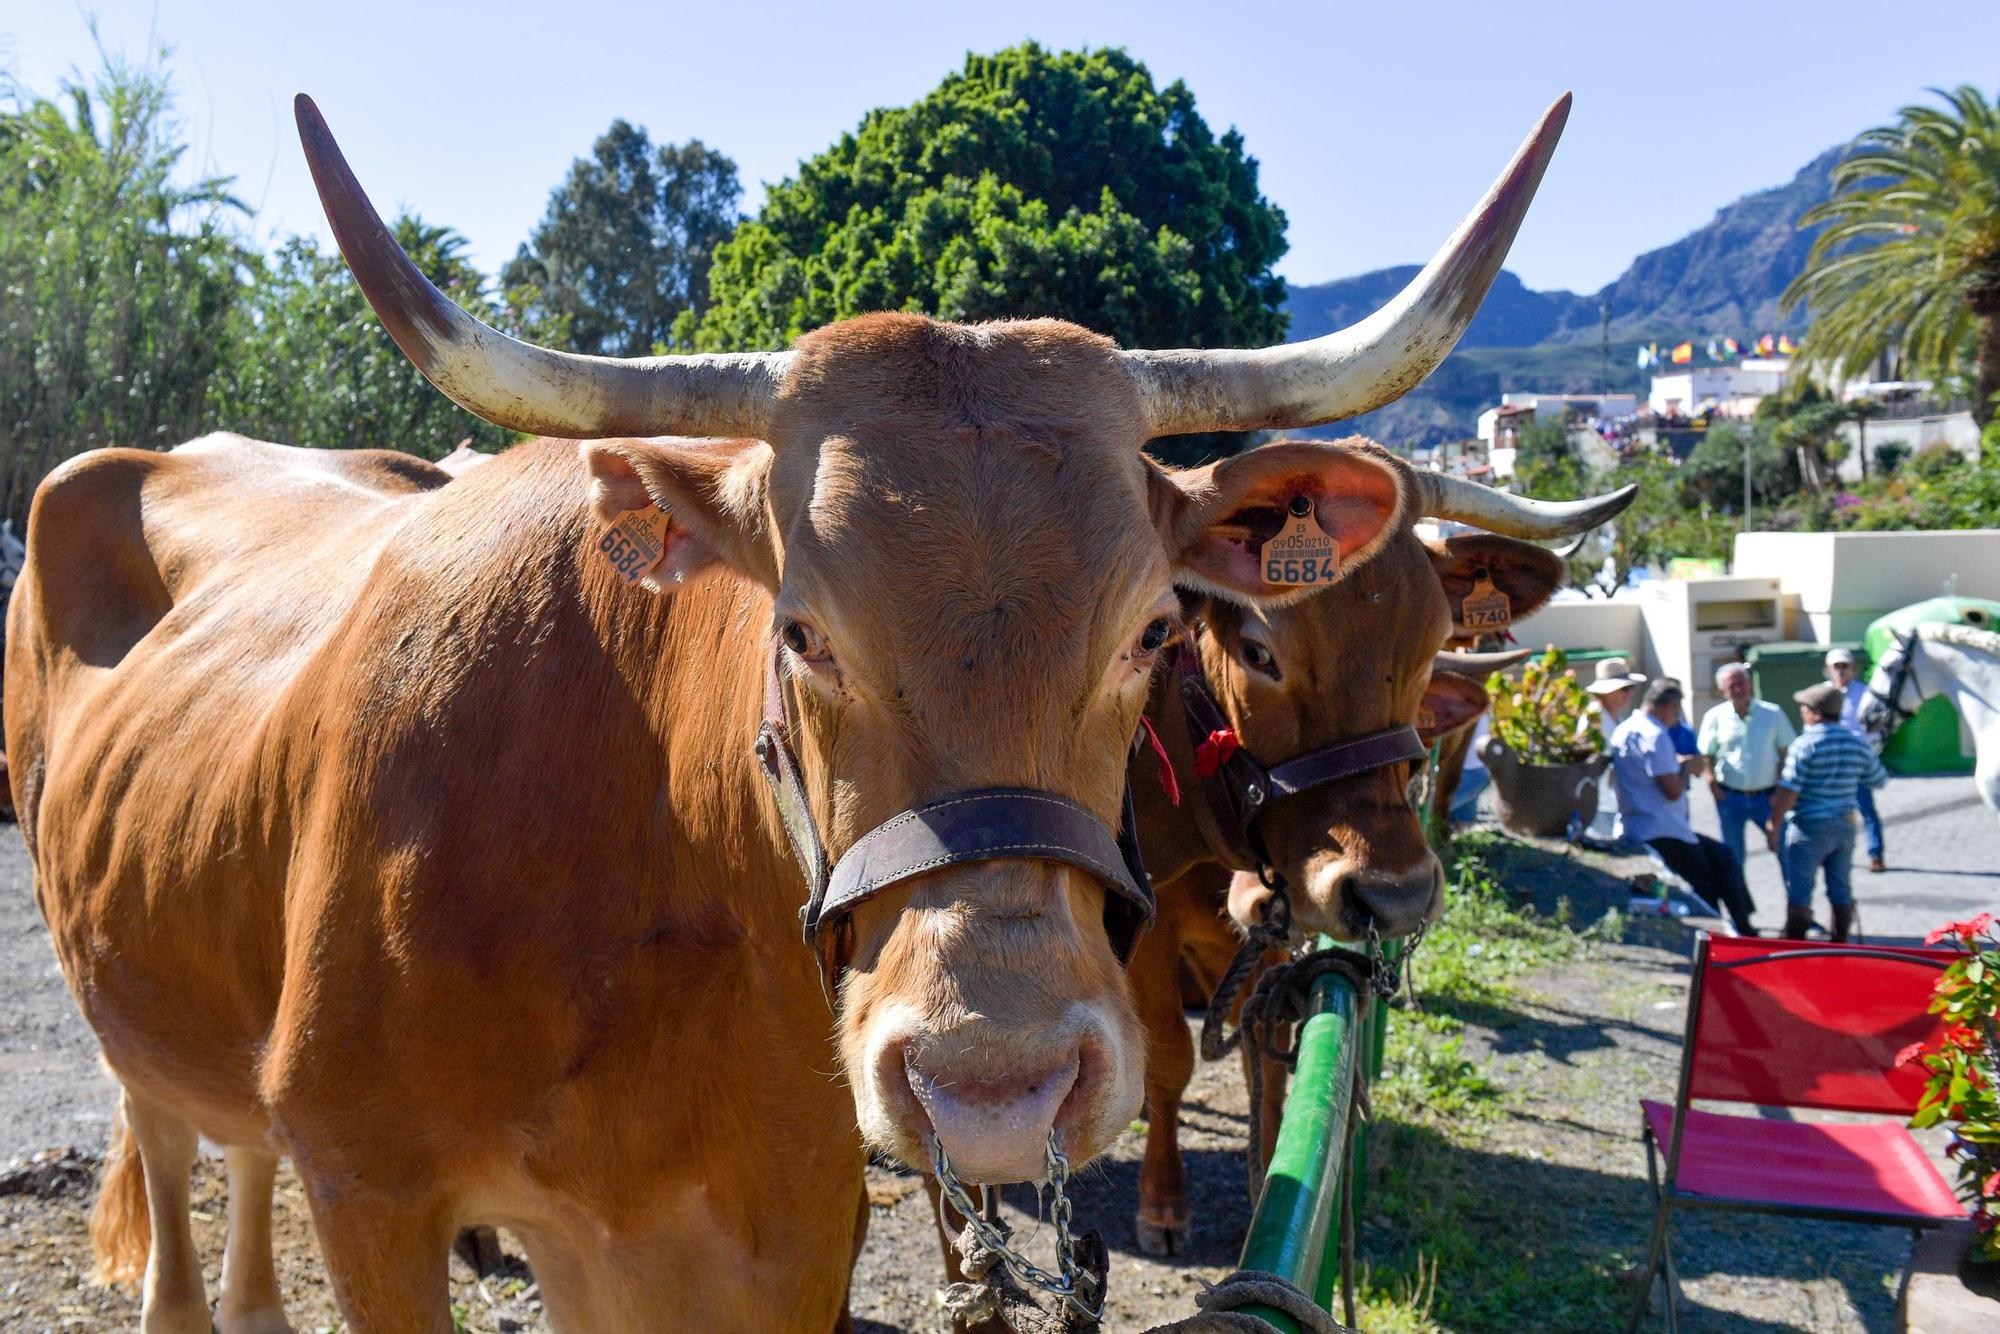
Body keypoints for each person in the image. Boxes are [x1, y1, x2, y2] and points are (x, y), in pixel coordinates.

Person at [1611, 679, 1756, 933]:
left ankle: (1743, 925)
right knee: (1704, 883)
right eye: (1676, 713)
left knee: (1722, 856)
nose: (1675, 720)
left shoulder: (1627, 729)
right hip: (1662, 829)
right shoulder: (1656, 735)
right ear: (1668, 706)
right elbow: (1672, 790)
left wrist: (1677, 761)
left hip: (1641, 823)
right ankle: (1723, 934)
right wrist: (1686, 767)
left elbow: (1650, 766)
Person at [1770, 682, 1889, 940]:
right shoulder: (1856, 743)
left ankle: (1795, 946)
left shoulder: (1805, 744)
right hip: (1844, 825)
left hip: (1808, 826)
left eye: (1804, 707)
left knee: (1800, 890)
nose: (1802, 711)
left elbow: (1790, 790)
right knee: (1840, 888)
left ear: (1815, 712)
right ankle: (1839, 943)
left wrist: (1774, 823)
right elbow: (1878, 779)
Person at [1697, 661, 1796, 871]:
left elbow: (1786, 753)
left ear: (1750, 684)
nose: (1739, 690)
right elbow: (1706, 753)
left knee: (1786, 850)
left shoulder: (1772, 714)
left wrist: (1781, 789)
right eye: (1732, 686)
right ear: (1723, 691)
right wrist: (1711, 781)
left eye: (1742, 683)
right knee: (1733, 859)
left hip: (1768, 797)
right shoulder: (1715, 717)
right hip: (1731, 796)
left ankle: (1796, 902)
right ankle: (1741, 904)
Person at [1826, 648, 1887, 872]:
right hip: (1830, 766)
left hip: (1855, 764)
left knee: (1867, 809)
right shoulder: (1822, 694)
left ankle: (1876, 853)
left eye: (1845, 666)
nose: (1841, 671)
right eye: (1837, 667)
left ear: (1853, 669)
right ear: (1828, 670)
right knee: (1831, 812)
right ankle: (1833, 854)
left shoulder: (1864, 693)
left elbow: (1873, 729)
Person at [1580, 657, 1647, 842]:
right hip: (1599, 801)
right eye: (1624, 689)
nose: (1628, 694)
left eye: (1630, 688)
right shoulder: (1593, 717)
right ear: (1607, 692)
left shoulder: (1617, 716)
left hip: (1614, 800)